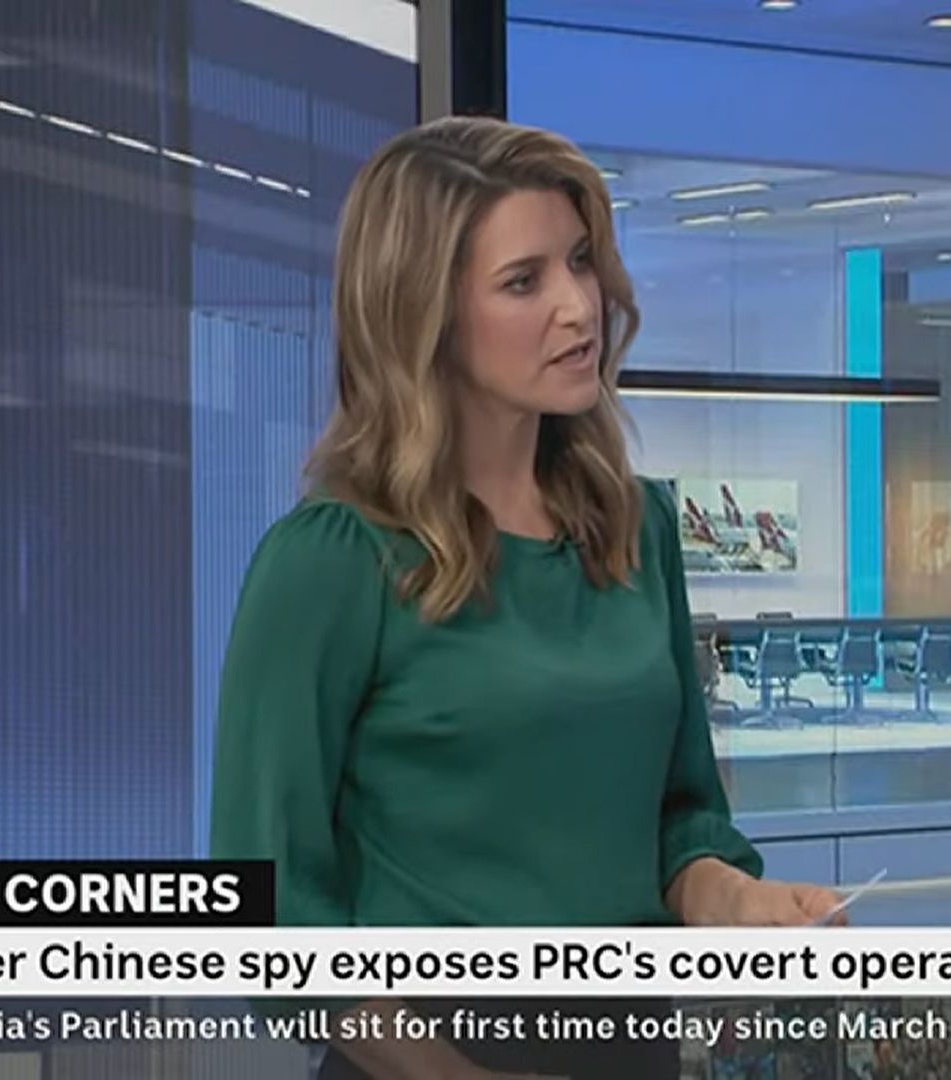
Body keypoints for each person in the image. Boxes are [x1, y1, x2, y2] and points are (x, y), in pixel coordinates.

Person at [208, 116, 846, 1080]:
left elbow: (680, 816)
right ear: (424, 314)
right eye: (524, 281)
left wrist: (732, 898)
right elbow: (269, 912)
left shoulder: (638, 529)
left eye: (581, 262)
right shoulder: (331, 562)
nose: (579, 307)